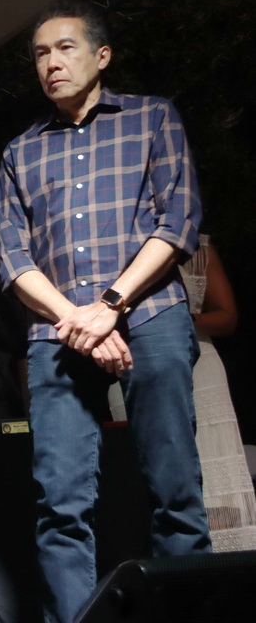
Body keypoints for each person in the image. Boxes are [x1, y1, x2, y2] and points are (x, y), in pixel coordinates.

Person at [0, 0, 211, 622]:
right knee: (60, 506)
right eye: (40, 53)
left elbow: (178, 222)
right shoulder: (20, 151)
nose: (51, 63)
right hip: (57, 332)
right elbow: (13, 259)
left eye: (65, 48)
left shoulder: (153, 119)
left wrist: (111, 306)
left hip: (149, 317)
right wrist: (81, 320)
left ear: (101, 56)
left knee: (175, 492)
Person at [109, 235, 256, 551]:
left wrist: (180, 320)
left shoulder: (198, 246)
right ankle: (167, 558)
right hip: (132, 361)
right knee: (152, 465)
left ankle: (227, 556)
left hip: (197, 362)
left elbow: (228, 316)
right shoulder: (114, 240)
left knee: (213, 466)